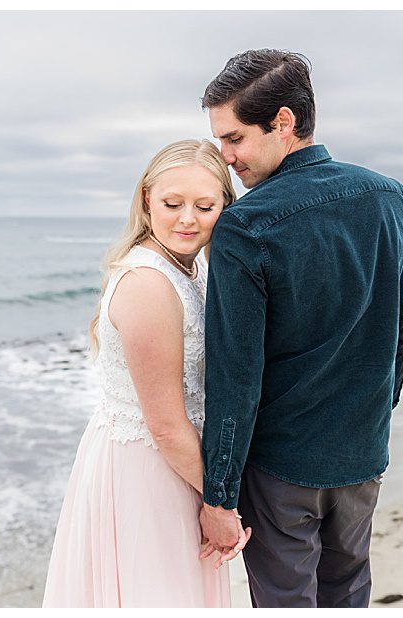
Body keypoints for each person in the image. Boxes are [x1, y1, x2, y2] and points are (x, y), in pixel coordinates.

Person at [197, 49, 403, 608]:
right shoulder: (391, 197)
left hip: (281, 468)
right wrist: (372, 411)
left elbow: (236, 374)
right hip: (362, 454)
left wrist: (219, 494)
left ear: (282, 122)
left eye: (234, 138)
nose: (225, 157)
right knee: (349, 596)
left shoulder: (245, 225)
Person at [42, 139, 249, 607]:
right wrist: (221, 503)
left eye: (205, 206)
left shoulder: (191, 270)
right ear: (146, 201)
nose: (188, 219)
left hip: (177, 463)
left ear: (226, 208)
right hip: (148, 469)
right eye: (172, 204)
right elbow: (165, 422)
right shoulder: (149, 284)